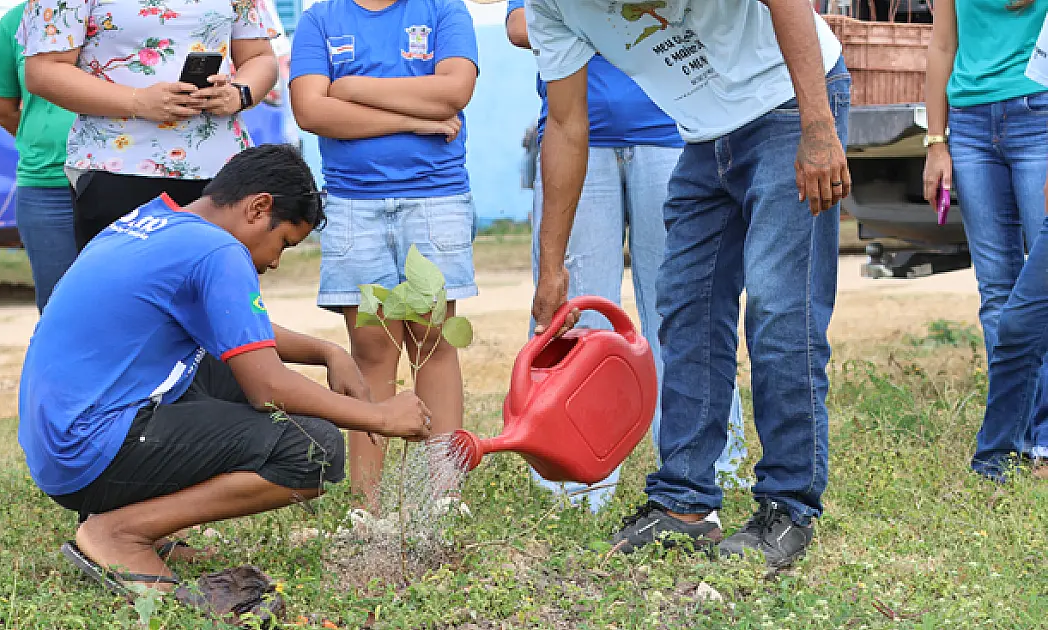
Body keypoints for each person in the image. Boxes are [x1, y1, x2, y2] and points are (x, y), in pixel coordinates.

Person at [18, 145, 433, 600]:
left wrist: (328, 352)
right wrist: (381, 418)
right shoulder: (218, 251)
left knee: (224, 364)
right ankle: (121, 532)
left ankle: (144, 526)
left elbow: (239, 331)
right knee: (315, 449)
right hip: (89, 452)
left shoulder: (155, 221)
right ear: (259, 208)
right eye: (284, 244)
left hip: (62, 443)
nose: (274, 261)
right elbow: (267, 388)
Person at [518, 0, 850, 568]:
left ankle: (788, 506)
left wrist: (818, 125)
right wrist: (553, 269)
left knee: (778, 308)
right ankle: (684, 502)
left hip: (789, 100)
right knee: (685, 309)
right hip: (704, 134)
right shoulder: (549, 8)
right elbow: (568, 125)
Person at [504, 0, 749, 512]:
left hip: (672, 128)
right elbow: (520, 24)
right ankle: (572, 480)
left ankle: (713, 464)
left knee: (684, 305)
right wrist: (620, 24)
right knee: (574, 313)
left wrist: (590, 27)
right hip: (575, 140)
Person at [288, 0, 479, 506]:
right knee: (372, 350)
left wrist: (350, 90)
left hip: (434, 199)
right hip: (354, 205)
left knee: (432, 341)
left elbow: (455, 91)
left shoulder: (442, 10)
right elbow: (312, 111)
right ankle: (367, 502)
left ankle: (442, 495)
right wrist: (415, 121)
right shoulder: (320, 19)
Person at [21, 0, 284, 249]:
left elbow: (260, 57)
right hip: (119, 168)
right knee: (127, 291)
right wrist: (138, 102)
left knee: (218, 288)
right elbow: (43, 71)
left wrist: (239, 94)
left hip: (224, 172)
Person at [923, 0, 1048, 477]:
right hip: (971, 125)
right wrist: (937, 142)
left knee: (1041, 292)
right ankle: (1010, 439)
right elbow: (942, 43)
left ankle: (1045, 439)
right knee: (996, 292)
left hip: (1038, 113)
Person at [0, 1, 78, 312]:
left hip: (119, 179)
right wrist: (45, 144)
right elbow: (3, 110)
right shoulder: (16, 22)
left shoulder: (119, 14)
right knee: (58, 307)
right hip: (47, 185)